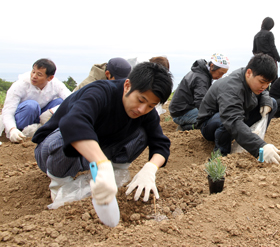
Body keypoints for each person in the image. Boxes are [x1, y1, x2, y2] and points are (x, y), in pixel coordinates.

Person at [32, 62, 173, 203]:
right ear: (127, 86)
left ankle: (114, 175)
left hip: (90, 156)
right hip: (51, 152)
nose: (142, 109)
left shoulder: (145, 112)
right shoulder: (99, 92)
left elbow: (160, 143)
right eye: (140, 100)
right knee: (68, 132)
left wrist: (150, 168)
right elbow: (73, 122)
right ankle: (60, 185)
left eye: (151, 105)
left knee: (143, 133)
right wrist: (102, 164)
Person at [197, 53, 280, 164]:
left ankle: (249, 136)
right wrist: (260, 147)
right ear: (249, 73)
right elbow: (231, 120)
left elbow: (264, 91)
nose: (264, 86)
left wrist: (266, 101)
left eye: (268, 83)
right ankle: (221, 155)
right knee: (226, 119)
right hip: (209, 124)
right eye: (262, 82)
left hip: (237, 114)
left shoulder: (250, 77)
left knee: (272, 103)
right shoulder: (231, 87)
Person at [2, 59, 71, 143]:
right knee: (31, 105)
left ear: (50, 78)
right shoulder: (20, 85)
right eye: (33, 72)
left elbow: (71, 99)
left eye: (39, 74)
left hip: (41, 117)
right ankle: (21, 134)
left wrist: (51, 111)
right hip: (24, 116)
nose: (34, 76)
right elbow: (8, 111)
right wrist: (12, 129)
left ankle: (45, 131)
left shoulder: (55, 84)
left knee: (60, 102)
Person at [169, 54, 230, 131]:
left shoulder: (203, 73)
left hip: (182, 108)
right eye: (220, 73)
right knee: (212, 121)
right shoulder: (201, 78)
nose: (221, 76)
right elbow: (201, 102)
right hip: (181, 112)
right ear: (211, 66)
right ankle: (185, 128)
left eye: (223, 74)